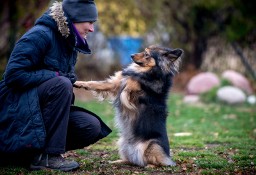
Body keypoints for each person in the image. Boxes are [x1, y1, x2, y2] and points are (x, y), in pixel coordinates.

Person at [0, 0, 111, 172]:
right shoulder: (40, 35)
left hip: (37, 112)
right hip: (14, 110)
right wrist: (57, 76)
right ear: (74, 18)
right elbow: (13, 75)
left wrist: (64, 78)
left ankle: (31, 154)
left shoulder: (68, 41)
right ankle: (49, 156)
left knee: (90, 126)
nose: (92, 29)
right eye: (89, 22)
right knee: (60, 84)